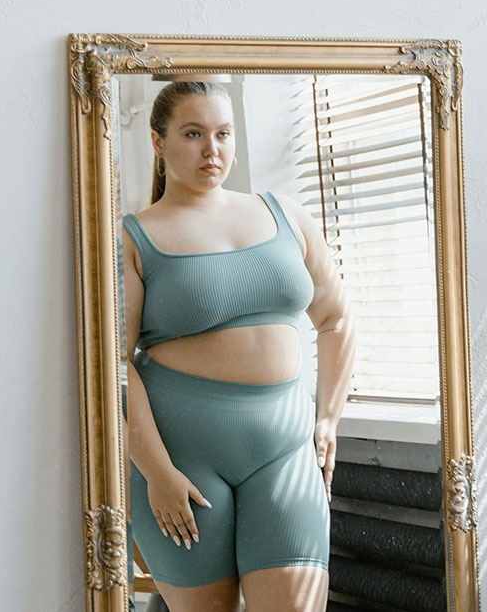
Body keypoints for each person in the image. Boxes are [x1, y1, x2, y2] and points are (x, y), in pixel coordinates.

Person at [121, 80, 354, 611]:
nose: (213, 149)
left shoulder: (286, 216)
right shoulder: (132, 238)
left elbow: (336, 319)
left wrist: (327, 419)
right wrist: (157, 472)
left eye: (223, 134)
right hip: (181, 460)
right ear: (158, 142)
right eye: (193, 134)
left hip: (285, 451)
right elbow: (114, 364)